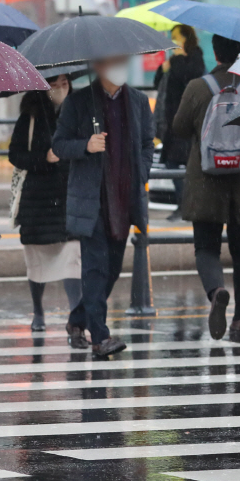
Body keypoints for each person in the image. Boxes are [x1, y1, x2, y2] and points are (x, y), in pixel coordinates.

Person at [52, 56, 154, 358]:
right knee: (95, 269)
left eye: (123, 60)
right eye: (113, 62)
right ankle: (100, 337)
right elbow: (59, 145)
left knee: (110, 271)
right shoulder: (80, 101)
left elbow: (148, 144)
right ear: (98, 66)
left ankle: (76, 321)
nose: (121, 67)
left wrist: (142, 172)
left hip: (124, 199)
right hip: (92, 200)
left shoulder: (137, 101)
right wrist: (86, 145)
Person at [172, 35, 240, 342]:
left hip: (206, 181)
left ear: (215, 52)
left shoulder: (199, 87)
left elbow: (179, 128)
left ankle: (216, 291)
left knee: (206, 248)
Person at [9, 74, 82, 332]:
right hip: (37, 200)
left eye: (65, 83)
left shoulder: (79, 112)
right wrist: (43, 158)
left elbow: (85, 149)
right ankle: (38, 311)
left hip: (68, 196)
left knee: (73, 252)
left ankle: (76, 315)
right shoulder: (30, 116)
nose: (61, 89)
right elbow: (15, 154)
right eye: (55, 84)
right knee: (37, 258)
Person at [154, 24, 205, 221]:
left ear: (186, 37)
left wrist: (180, 58)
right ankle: (184, 204)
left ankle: (187, 205)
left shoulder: (194, 56)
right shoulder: (173, 58)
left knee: (182, 162)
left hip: (187, 119)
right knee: (172, 163)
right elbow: (158, 82)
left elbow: (190, 77)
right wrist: (163, 67)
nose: (173, 40)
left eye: (176, 37)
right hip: (171, 120)